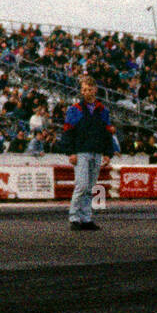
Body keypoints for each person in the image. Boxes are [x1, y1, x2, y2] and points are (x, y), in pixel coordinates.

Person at [61, 75, 118, 230]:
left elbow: (107, 133)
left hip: (97, 152)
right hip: (81, 152)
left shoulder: (102, 110)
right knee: (81, 185)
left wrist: (108, 152)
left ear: (95, 89)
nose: (86, 92)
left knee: (90, 187)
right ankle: (74, 217)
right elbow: (67, 132)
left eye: (89, 89)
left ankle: (86, 218)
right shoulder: (75, 110)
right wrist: (70, 152)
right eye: (84, 89)